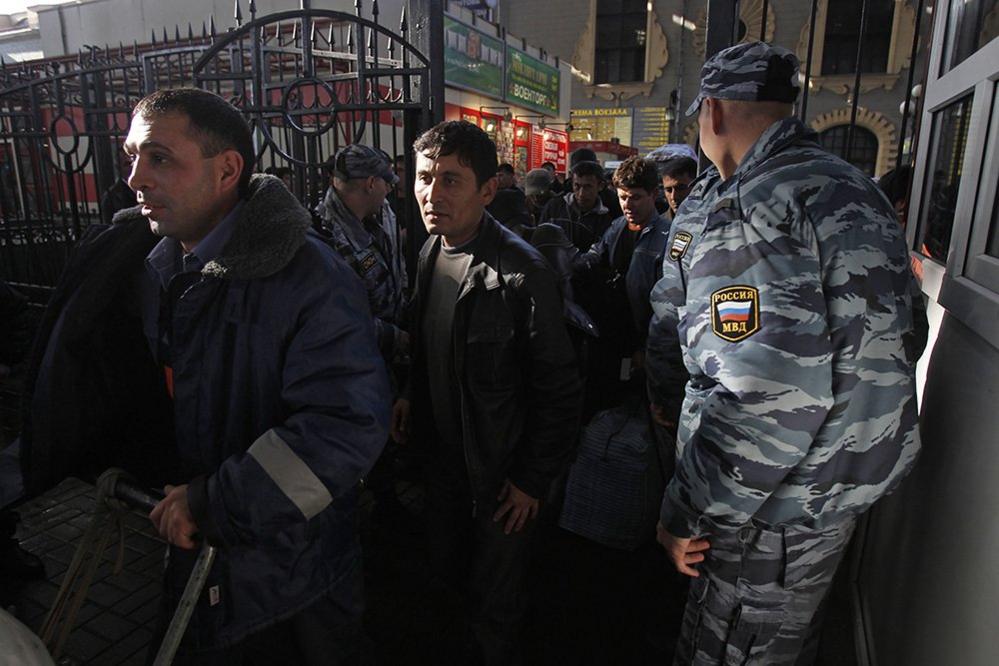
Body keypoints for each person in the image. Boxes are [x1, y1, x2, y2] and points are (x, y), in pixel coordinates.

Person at [21, 88, 391, 663]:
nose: (135, 179)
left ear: (227, 170)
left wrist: (213, 501)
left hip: (290, 581)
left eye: (159, 158)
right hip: (198, 558)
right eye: (131, 157)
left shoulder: (310, 277)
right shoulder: (146, 261)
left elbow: (345, 428)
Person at [646, 42, 922, 665]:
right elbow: (911, 329)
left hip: (767, 507)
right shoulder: (855, 189)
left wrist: (685, 508)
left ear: (712, 112)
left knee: (734, 651)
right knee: (787, 644)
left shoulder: (750, 207)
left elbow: (764, 393)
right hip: (834, 493)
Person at [390, 120, 581, 665]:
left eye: (450, 180)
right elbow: (427, 343)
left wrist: (530, 480)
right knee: (448, 580)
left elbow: (559, 391)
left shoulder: (522, 272)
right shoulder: (430, 251)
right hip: (445, 468)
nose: (431, 193)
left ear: (488, 189)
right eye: (425, 177)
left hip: (500, 481)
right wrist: (408, 392)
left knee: (496, 604)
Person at [573, 157, 671, 414]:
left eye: (636, 197)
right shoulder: (618, 226)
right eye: (623, 197)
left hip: (641, 339)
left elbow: (666, 305)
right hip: (611, 333)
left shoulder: (666, 237)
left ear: (653, 194)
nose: (628, 204)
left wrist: (644, 348)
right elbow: (596, 255)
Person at [316, 144, 408, 365]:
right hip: (352, 367)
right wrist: (397, 338)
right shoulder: (327, 239)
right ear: (370, 184)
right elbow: (336, 319)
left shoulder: (370, 222)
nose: (387, 191)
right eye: (386, 183)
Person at [538, 159, 614, 252]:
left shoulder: (606, 219)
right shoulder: (554, 207)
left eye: (587, 187)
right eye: (577, 186)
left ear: (600, 186)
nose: (581, 194)